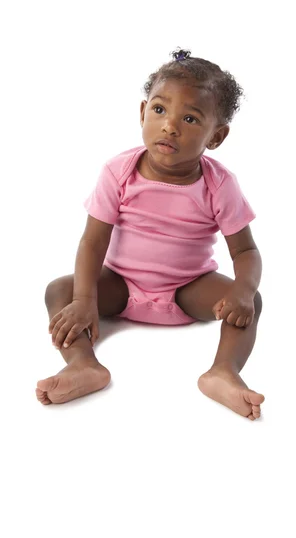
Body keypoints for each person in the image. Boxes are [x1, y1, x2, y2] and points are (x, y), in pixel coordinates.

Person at [36, 47, 264, 420]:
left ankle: (224, 371)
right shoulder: (118, 171)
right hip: (121, 285)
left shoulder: (219, 184)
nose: (170, 126)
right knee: (59, 291)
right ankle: (82, 365)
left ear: (217, 136)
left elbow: (245, 252)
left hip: (189, 289)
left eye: (190, 118)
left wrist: (242, 289)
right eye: (159, 110)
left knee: (251, 302)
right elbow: (93, 241)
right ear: (143, 112)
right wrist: (84, 299)